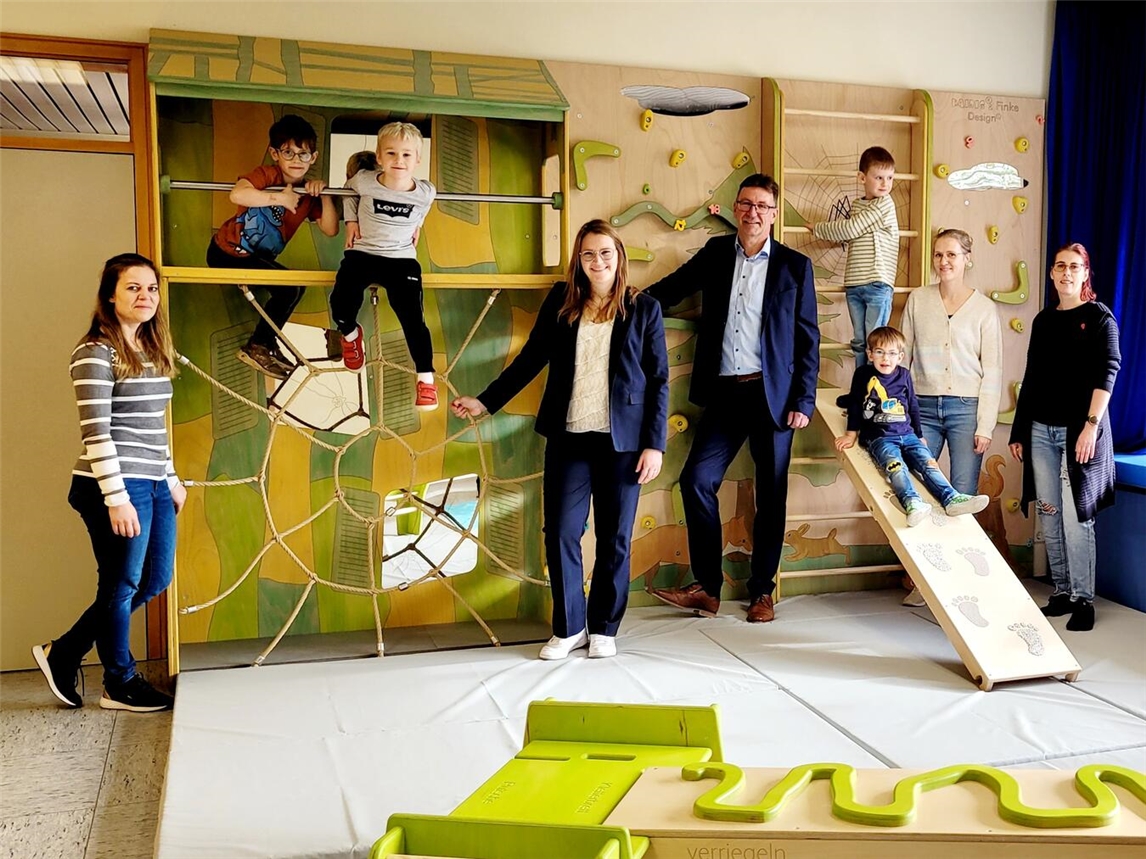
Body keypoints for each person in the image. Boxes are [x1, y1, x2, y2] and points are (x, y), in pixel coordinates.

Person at [451, 220, 668, 659]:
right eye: (588, 254)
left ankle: (604, 628)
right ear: (578, 260)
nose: (597, 261)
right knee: (561, 533)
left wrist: (655, 444)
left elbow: (659, 380)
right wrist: (486, 402)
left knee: (614, 537)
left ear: (618, 256)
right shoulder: (562, 301)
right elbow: (531, 358)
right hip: (570, 438)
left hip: (624, 443)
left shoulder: (644, 308)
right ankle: (569, 628)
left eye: (605, 252)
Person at [644, 174, 820, 624]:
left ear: (774, 214)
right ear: (735, 208)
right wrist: (627, 302)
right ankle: (707, 588)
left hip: (773, 397)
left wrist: (803, 399)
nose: (753, 212)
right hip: (724, 392)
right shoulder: (716, 252)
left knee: (771, 495)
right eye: (746, 203)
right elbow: (673, 287)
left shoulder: (795, 267)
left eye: (762, 206)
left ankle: (762, 592)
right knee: (695, 481)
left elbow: (807, 339)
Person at [32, 253, 186, 712]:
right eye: (133, 288)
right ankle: (118, 682)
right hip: (111, 484)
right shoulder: (95, 352)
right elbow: (96, 432)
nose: (145, 296)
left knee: (155, 578)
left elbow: (153, 426)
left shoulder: (153, 350)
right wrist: (116, 499)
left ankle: (64, 651)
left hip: (153, 482)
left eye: (151, 288)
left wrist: (170, 477)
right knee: (120, 583)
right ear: (111, 296)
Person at [1009, 243, 1120, 632]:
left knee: (1077, 518)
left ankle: (1084, 599)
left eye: (1075, 266)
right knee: (1050, 513)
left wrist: (1091, 426)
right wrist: (1020, 430)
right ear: (1052, 273)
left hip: (1080, 434)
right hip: (1041, 431)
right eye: (1061, 266)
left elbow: (1108, 372)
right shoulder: (1043, 321)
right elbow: (1032, 377)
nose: (1067, 272)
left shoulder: (1100, 318)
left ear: (1085, 273)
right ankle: (1062, 592)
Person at [899, 228, 1002, 604]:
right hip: (922, 408)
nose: (944, 262)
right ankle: (922, 581)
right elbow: (902, 360)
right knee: (917, 491)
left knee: (961, 493)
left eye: (952, 255)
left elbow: (993, 370)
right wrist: (901, 415)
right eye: (939, 255)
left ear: (967, 259)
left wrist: (985, 425)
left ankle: (959, 585)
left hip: (966, 409)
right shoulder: (918, 299)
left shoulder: (984, 309)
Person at [206, 114, 339, 379]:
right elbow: (237, 193)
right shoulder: (267, 175)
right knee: (289, 288)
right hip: (227, 251)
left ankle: (264, 343)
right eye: (288, 152)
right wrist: (279, 198)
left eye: (303, 154)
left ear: (313, 157)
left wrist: (324, 195)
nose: (296, 160)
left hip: (254, 257)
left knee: (292, 287)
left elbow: (330, 229)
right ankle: (259, 345)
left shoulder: (307, 193)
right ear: (275, 153)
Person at [835, 326, 989, 528]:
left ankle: (951, 497)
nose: (886, 358)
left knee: (928, 463)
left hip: (908, 434)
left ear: (900, 357)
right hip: (880, 437)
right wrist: (850, 434)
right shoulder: (863, 374)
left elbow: (912, 406)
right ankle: (912, 502)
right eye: (880, 352)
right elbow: (855, 403)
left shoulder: (904, 375)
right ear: (870, 354)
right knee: (896, 467)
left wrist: (919, 434)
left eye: (892, 353)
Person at [332, 122, 438, 410]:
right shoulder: (365, 181)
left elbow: (425, 205)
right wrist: (351, 221)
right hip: (363, 253)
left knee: (412, 318)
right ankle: (351, 334)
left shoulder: (425, 191)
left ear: (417, 159)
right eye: (391, 153)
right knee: (341, 301)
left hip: (401, 259)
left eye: (406, 155)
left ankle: (426, 379)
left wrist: (418, 225)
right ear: (379, 156)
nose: (398, 160)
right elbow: (347, 191)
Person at [812, 146, 898, 399]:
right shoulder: (859, 205)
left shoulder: (885, 204)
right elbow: (852, 231)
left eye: (890, 177)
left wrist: (816, 228)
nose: (885, 183)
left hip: (877, 283)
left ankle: (876, 394)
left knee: (876, 344)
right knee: (860, 342)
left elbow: (850, 230)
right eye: (878, 177)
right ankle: (861, 390)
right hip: (855, 284)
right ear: (862, 177)